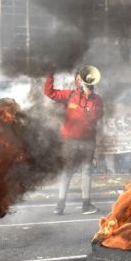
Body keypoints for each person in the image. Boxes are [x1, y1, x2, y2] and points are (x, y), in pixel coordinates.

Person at [44, 65, 104, 215]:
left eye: (83, 77)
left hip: (88, 141)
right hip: (70, 141)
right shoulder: (70, 95)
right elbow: (49, 92)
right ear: (76, 80)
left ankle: (86, 204)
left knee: (87, 171)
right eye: (79, 77)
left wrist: (89, 97)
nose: (81, 79)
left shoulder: (97, 99)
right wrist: (50, 73)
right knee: (67, 172)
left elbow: (98, 118)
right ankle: (60, 204)